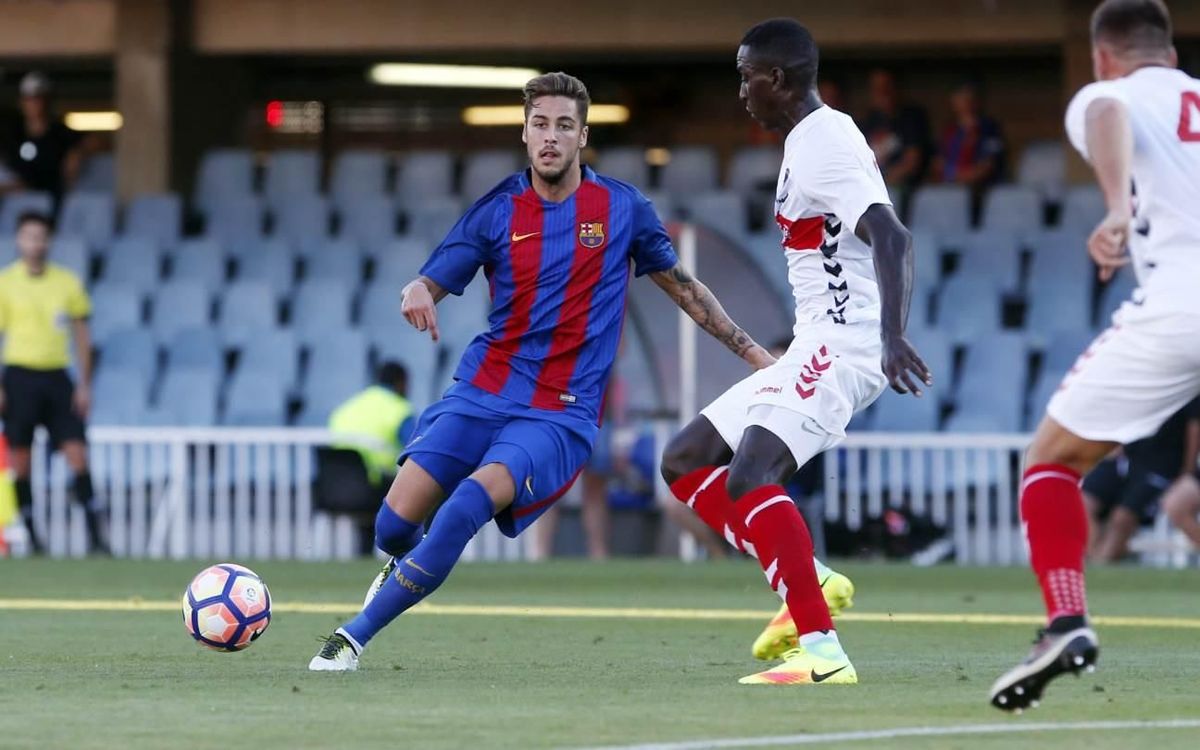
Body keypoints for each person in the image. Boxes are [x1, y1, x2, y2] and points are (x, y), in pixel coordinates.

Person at [309, 72, 777, 671]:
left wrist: (752, 353)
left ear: (582, 136)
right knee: (392, 526)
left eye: (563, 126)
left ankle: (350, 639)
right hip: (482, 389)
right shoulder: (499, 209)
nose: (550, 137)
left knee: (464, 508)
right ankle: (401, 567)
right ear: (524, 133)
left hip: (559, 411)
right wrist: (418, 288)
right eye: (540, 124)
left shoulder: (622, 209)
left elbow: (684, 289)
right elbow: (434, 275)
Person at [660, 18, 931, 686]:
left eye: (746, 75)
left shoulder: (824, 142)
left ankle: (822, 652)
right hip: (817, 340)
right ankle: (809, 580)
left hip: (845, 344)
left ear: (776, 78)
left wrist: (891, 336)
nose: (742, 90)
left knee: (752, 475)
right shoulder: (807, 142)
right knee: (685, 459)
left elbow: (892, 238)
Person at [989, 0, 1200, 712]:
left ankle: (1066, 621)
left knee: (1050, 461)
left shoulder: (1108, 92)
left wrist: (1115, 206)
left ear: (1103, 56)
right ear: (1170, 53)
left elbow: (1108, 114)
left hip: (1182, 304)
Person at [0, 211, 106, 554]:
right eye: (29, 236)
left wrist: (84, 384)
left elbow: (82, 336)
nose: (35, 243)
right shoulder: (5, 282)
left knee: (77, 454)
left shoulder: (67, 282)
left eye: (41, 236)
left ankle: (95, 537)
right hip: (18, 374)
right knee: (22, 458)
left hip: (58, 376)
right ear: (19, 240)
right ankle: (33, 537)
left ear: (48, 241)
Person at [1083, 397, 1200, 562]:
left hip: (1162, 467)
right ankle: (1095, 561)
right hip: (1126, 461)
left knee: (1122, 518)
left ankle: (1103, 562)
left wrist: (1187, 471)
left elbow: (1194, 429)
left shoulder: (1187, 388)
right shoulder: (1137, 384)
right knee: (1082, 504)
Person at [0, 73, 85, 209]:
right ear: (21, 101)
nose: (36, 104)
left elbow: (96, 141)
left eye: (39, 98)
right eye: (30, 99)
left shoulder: (59, 132)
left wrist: (78, 152)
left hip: (52, 201)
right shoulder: (12, 131)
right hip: (14, 204)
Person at [860, 69, 932, 196]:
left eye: (886, 87)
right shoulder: (868, 121)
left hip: (906, 190)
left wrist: (881, 183)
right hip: (875, 189)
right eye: (877, 88)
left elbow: (912, 163)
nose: (882, 93)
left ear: (896, 89)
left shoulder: (911, 117)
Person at [934, 81, 1006, 195]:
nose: (963, 101)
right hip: (949, 187)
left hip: (981, 191)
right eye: (959, 97)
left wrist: (962, 178)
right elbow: (938, 164)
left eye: (966, 97)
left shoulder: (989, 128)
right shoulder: (949, 130)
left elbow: (988, 165)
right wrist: (952, 177)